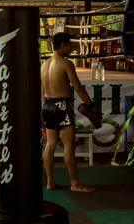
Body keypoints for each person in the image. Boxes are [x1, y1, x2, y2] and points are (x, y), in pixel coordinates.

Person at [41, 32, 99, 193]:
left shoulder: (44, 64)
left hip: (47, 106)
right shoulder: (66, 63)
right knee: (68, 145)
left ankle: (50, 182)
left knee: (50, 144)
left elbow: (43, 91)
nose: (72, 49)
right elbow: (78, 87)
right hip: (62, 106)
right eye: (70, 45)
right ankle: (75, 183)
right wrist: (90, 104)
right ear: (63, 45)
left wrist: (43, 112)